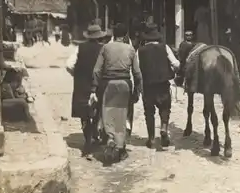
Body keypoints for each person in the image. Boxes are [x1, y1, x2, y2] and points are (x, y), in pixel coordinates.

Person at [89, 23, 142, 164]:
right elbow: (137, 73)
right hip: (124, 84)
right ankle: (120, 146)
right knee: (122, 114)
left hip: (108, 84)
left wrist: (94, 88)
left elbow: (96, 70)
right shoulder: (131, 49)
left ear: (113, 34)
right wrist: (137, 89)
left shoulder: (105, 48)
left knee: (107, 113)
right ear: (125, 35)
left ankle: (110, 138)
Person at [66, 24, 107, 160]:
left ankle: (88, 139)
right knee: (96, 111)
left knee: (84, 113)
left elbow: (69, 65)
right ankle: (93, 135)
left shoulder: (80, 48)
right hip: (98, 85)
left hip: (82, 85)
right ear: (100, 37)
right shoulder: (103, 49)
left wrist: (77, 75)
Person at [136, 23, 180, 149]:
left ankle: (151, 139)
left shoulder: (140, 51)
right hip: (162, 84)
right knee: (165, 108)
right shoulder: (164, 47)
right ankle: (164, 128)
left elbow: (137, 70)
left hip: (148, 85)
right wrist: (173, 69)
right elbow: (176, 63)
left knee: (149, 112)